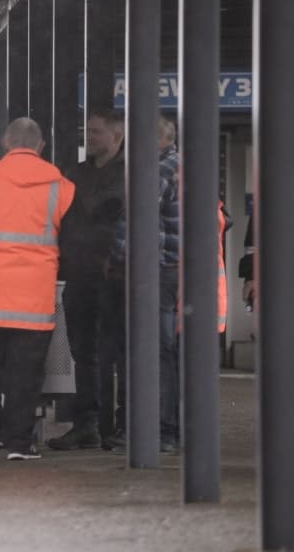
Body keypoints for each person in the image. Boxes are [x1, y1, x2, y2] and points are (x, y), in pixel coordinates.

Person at [0, 118, 74, 461]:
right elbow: (72, 240)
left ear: (6, 143)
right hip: (35, 298)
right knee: (25, 375)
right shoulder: (61, 186)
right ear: (40, 146)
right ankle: (19, 444)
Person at [49, 108, 126, 451]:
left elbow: (102, 207)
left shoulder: (131, 171)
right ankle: (87, 425)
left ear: (117, 135)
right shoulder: (76, 172)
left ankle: (119, 428)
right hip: (78, 272)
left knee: (116, 351)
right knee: (83, 353)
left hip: (114, 274)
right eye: (88, 131)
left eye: (96, 132)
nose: (89, 138)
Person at [109, 115, 181, 453]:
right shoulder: (184, 164)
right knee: (168, 350)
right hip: (177, 270)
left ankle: (163, 430)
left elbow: (139, 217)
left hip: (158, 270)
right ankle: (168, 427)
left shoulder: (161, 169)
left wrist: (116, 257)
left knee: (157, 350)